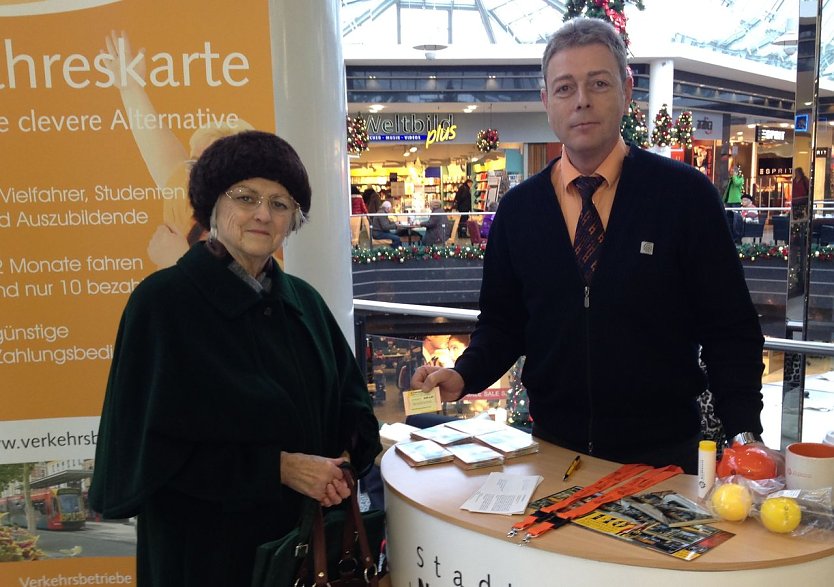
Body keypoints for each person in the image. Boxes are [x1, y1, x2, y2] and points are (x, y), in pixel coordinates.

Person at [411, 18, 764, 475]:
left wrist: (743, 435)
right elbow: (503, 323)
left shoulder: (685, 197)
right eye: (564, 88)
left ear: (626, 89)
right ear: (546, 101)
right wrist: (465, 374)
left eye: (598, 83)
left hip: (663, 462)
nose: (581, 100)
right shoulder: (518, 212)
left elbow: (730, 330)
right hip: (554, 457)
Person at [89, 131, 382, 587]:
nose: (263, 214)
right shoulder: (162, 305)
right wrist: (278, 469)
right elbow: (144, 456)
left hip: (304, 555)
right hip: (205, 559)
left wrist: (345, 458)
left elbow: (352, 403)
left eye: (280, 203)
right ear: (212, 206)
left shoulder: (303, 302)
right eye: (246, 197)